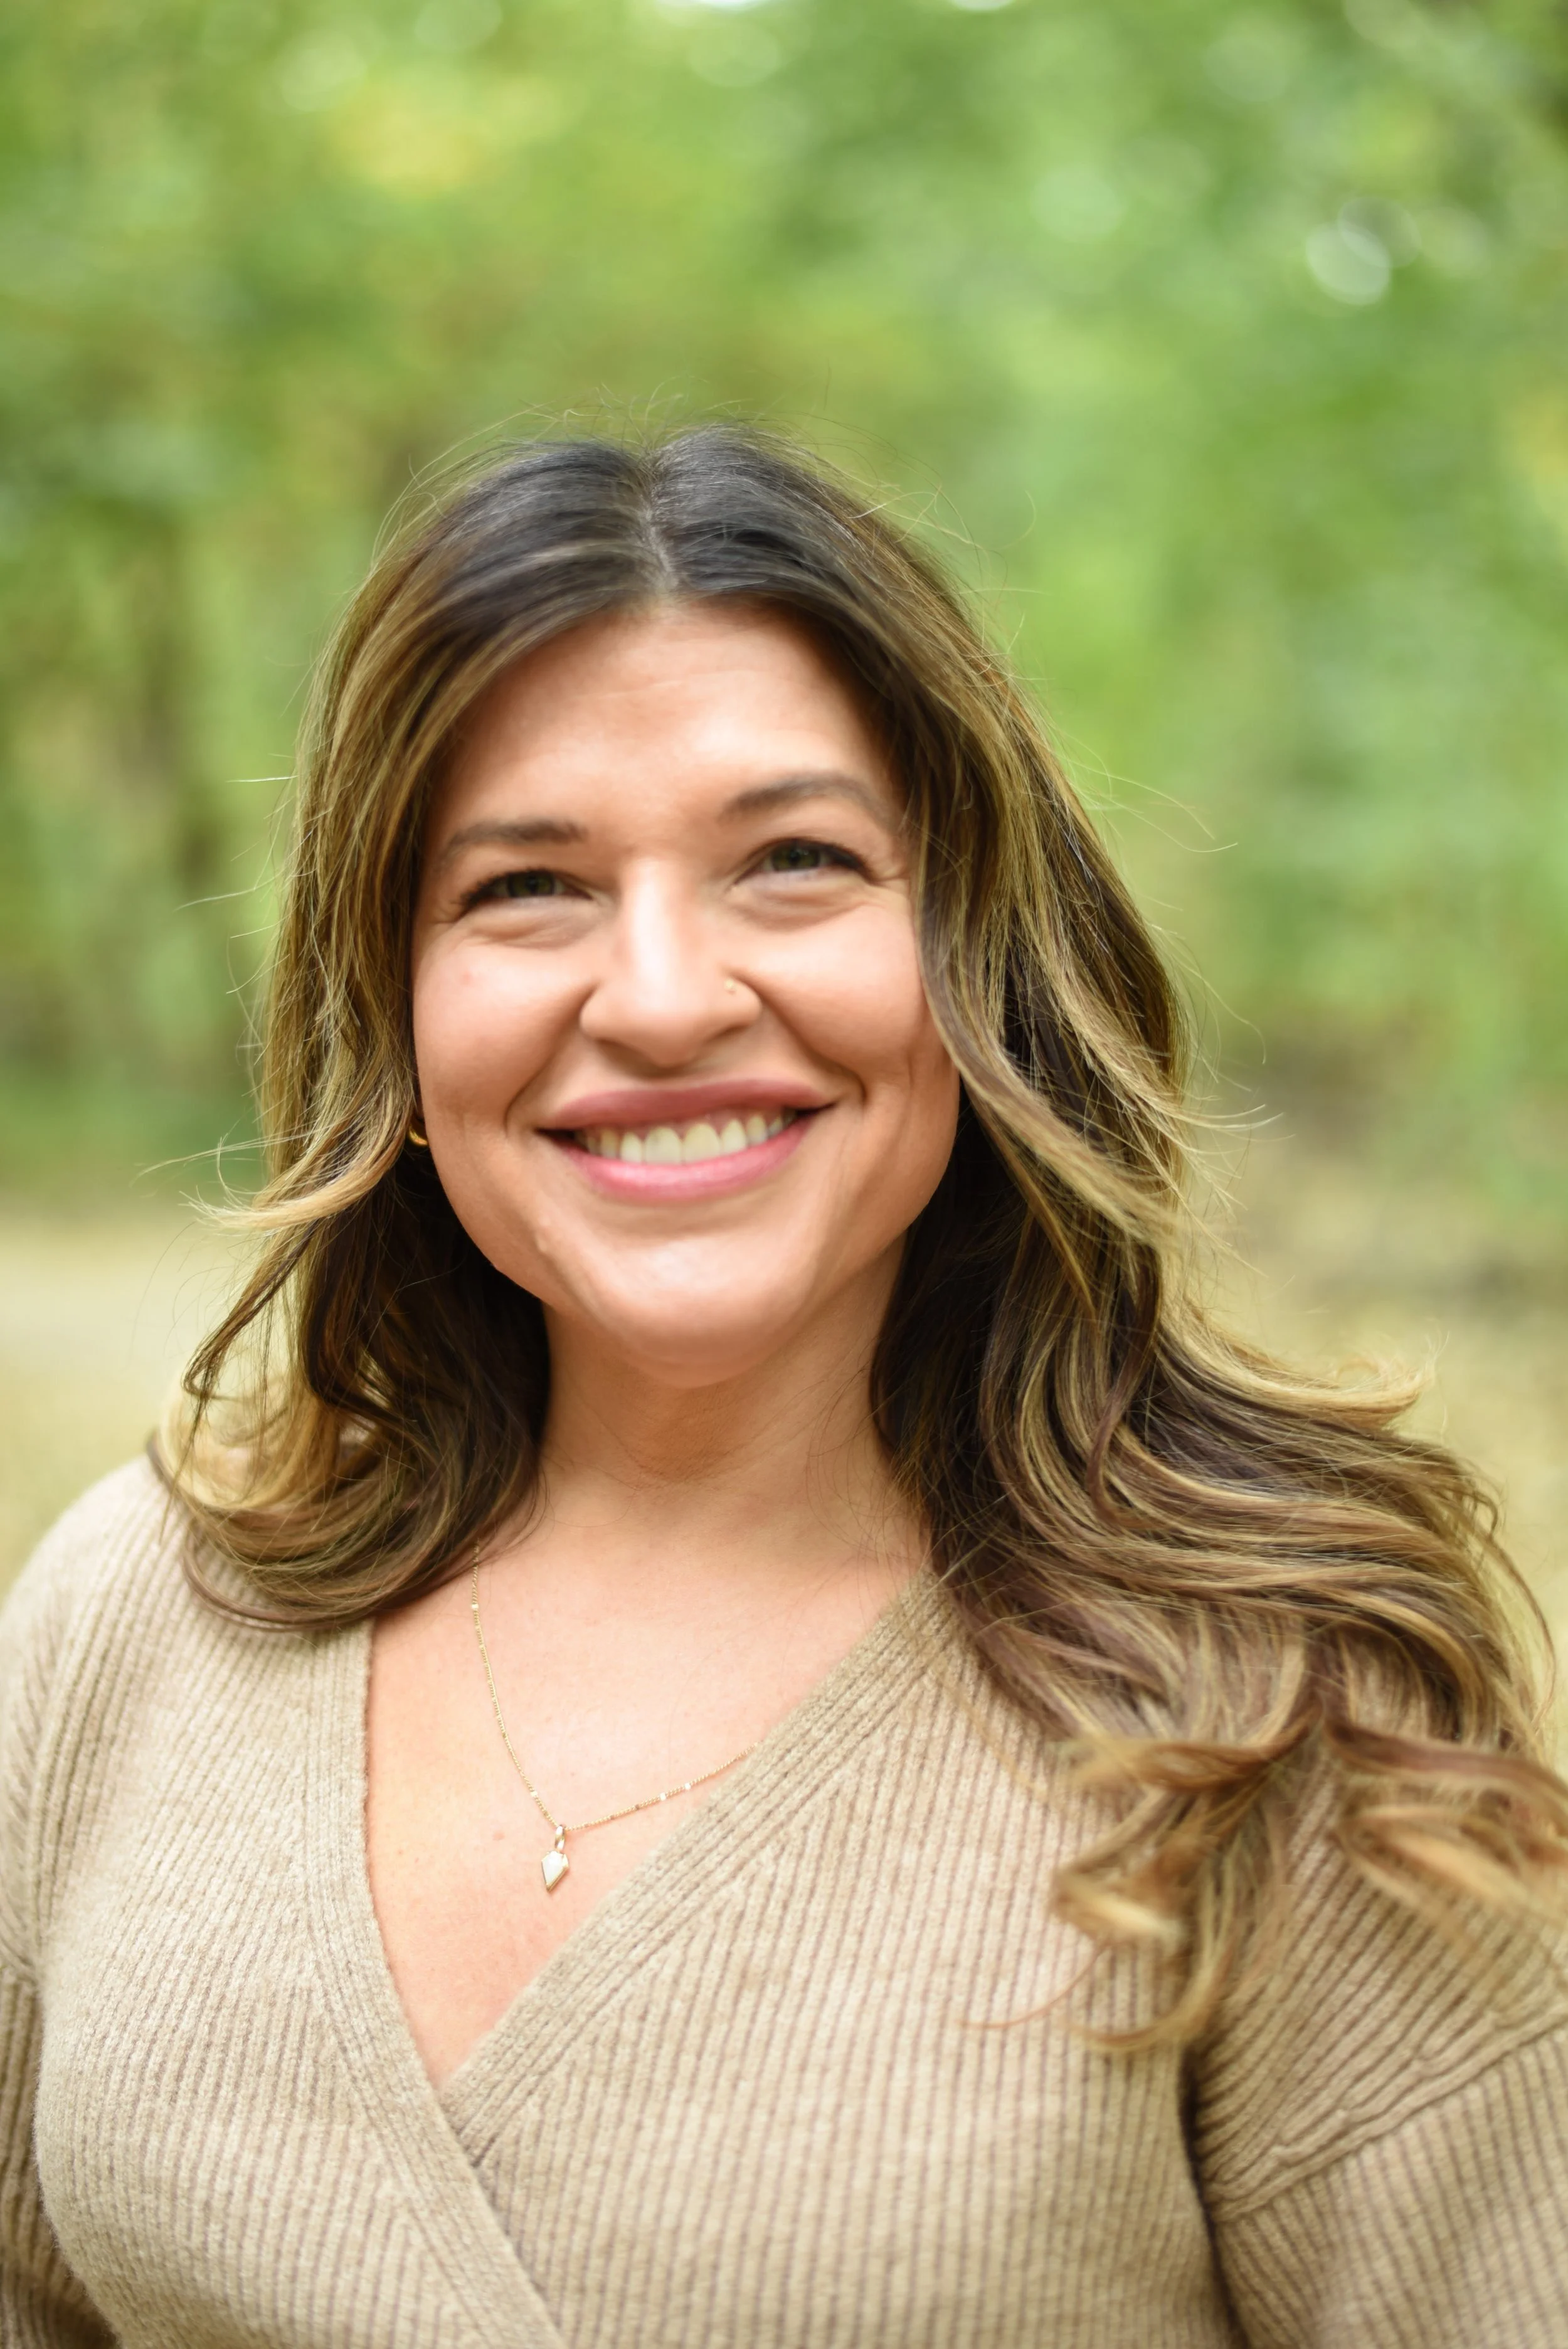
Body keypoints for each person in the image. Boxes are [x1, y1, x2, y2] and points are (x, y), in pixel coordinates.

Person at [1, 428, 1564, 2349]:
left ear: (973, 962)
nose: (660, 998)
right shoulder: (130, 1619)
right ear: (396, 1012)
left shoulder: (1286, 1705)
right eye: (526, 888)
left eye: (795, 863)